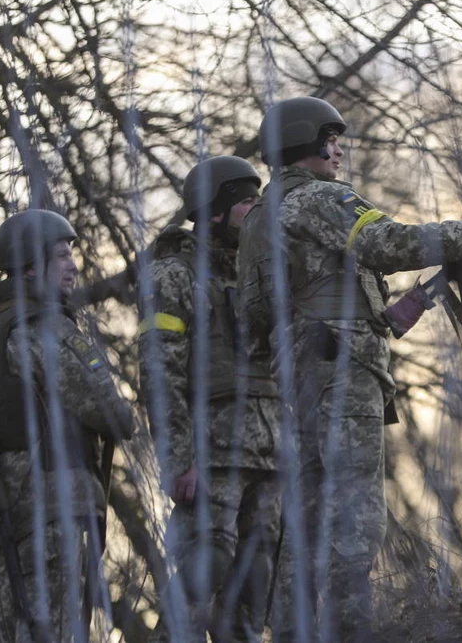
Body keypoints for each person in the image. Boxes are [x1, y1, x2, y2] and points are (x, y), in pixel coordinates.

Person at [237, 96, 462, 641]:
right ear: (309, 142)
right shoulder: (320, 197)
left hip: (302, 370)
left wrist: (382, 316)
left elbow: (270, 309)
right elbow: (391, 243)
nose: (339, 149)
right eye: (332, 138)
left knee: (310, 515)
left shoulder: (261, 217)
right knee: (355, 513)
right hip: (341, 369)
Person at [0, 208, 135, 643]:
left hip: (7, 505)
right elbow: (105, 408)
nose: (72, 266)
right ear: (29, 266)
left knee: (11, 628)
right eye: (61, 256)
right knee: (55, 630)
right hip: (50, 503)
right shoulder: (43, 326)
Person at [138, 156, 280, 642]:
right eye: (246, 203)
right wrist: (179, 458)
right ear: (215, 211)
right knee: (205, 572)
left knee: (253, 591)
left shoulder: (261, 275)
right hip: (210, 457)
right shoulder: (174, 276)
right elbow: (160, 372)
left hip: (270, 456)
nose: (257, 213)